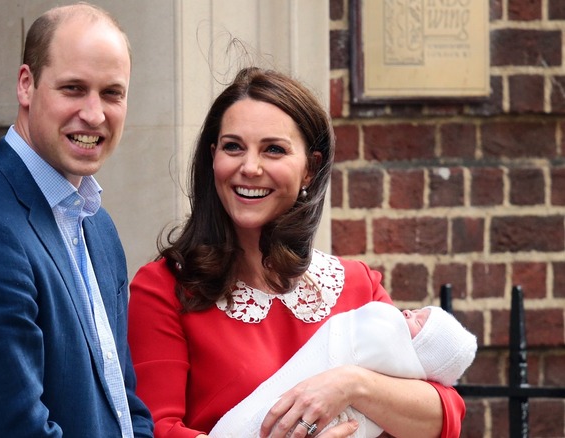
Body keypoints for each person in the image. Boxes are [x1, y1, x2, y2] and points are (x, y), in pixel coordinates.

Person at [127, 67, 466, 438]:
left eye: (274, 149)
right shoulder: (164, 287)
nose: (249, 167)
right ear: (213, 158)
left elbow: (444, 414)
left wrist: (349, 385)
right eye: (233, 147)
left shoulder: (356, 285)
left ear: (310, 169)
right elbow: (154, 428)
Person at [0, 3, 153, 437]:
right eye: (73, 88)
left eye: (112, 93)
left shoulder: (97, 225)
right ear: (27, 86)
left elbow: (126, 408)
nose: (95, 114)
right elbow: (17, 429)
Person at [210, 301, 477, 437]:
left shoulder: (359, 282)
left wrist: (350, 383)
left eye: (420, 320)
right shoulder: (175, 287)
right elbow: (165, 426)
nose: (406, 312)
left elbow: (446, 409)